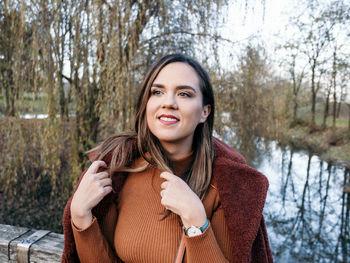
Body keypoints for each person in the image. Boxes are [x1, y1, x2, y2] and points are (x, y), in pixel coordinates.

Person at [61, 54, 273, 263]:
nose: (168, 102)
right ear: (146, 104)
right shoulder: (118, 169)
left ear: (204, 112)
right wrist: (79, 216)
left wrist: (196, 221)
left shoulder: (228, 187)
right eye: (158, 92)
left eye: (184, 94)